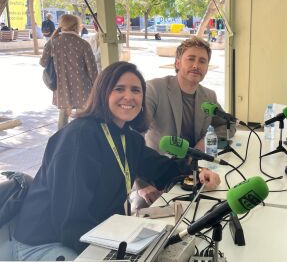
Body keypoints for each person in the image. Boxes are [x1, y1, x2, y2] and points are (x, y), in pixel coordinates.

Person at [1, 62, 220, 261]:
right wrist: (112, 255)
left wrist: (196, 172)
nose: (129, 96)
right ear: (102, 93)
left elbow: (161, 168)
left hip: (96, 235)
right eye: (119, 89)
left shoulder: (129, 137)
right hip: (46, 243)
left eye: (136, 90)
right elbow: (70, 220)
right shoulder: (78, 137)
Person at [136, 37, 235, 207]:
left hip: (191, 170)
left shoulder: (208, 96)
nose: (196, 65)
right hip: (155, 176)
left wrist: (205, 141)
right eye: (191, 59)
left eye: (202, 61)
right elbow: (134, 139)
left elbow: (229, 124)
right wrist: (142, 185)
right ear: (177, 63)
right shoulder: (154, 89)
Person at [40, 14, 98, 129]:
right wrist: (97, 87)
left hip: (62, 88)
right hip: (83, 89)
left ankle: (62, 142)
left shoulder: (52, 42)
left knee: (63, 119)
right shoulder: (83, 44)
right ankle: (82, 142)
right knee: (84, 119)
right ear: (76, 27)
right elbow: (92, 70)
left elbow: (43, 63)